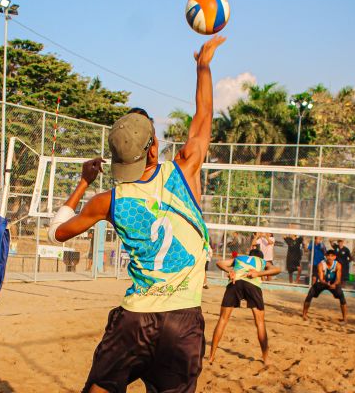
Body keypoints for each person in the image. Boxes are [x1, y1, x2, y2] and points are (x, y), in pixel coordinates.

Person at [46, 36, 225, 392]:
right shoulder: (184, 171)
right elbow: (204, 114)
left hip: (134, 320)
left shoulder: (107, 200)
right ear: (154, 148)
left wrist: (83, 182)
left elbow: (57, 233)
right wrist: (203, 67)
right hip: (184, 320)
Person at [209, 247, 281, 365]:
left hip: (235, 282)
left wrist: (230, 271)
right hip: (252, 284)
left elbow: (219, 263)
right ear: (260, 257)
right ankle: (266, 359)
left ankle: (211, 357)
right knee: (260, 323)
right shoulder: (262, 261)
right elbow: (277, 269)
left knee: (222, 320)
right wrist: (258, 273)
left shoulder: (239, 258)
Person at [302, 249, 347, 322]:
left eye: (331, 256)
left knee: (341, 296)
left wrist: (334, 284)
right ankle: (304, 314)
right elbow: (321, 278)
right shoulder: (321, 264)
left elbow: (338, 279)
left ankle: (344, 319)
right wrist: (327, 284)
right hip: (323, 282)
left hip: (333, 283)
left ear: (334, 257)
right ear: (326, 256)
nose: (329, 257)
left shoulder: (338, 265)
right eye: (328, 255)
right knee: (310, 294)